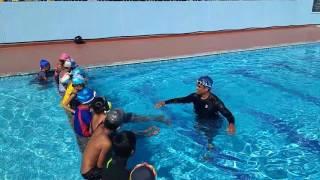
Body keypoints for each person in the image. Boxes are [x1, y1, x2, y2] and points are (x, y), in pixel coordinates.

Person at [155, 76, 235, 148]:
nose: (196, 88)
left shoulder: (215, 101)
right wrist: (165, 102)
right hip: (199, 119)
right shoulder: (195, 96)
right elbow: (181, 100)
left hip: (213, 122)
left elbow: (228, 114)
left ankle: (210, 150)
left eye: (199, 86)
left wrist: (231, 124)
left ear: (206, 89)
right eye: (197, 86)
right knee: (197, 134)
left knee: (209, 139)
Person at [89, 97, 170, 136]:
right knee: (125, 135)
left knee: (126, 116)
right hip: (108, 133)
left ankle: (155, 118)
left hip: (108, 127)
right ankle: (145, 133)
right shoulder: (103, 120)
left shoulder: (96, 115)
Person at [81, 112, 122, 180]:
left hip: (84, 167)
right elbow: (99, 165)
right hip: (89, 173)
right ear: (118, 128)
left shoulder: (100, 127)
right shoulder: (106, 143)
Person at [73, 87, 96, 152]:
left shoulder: (79, 107)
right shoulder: (85, 114)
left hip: (77, 129)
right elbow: (92, 125)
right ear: (90, 102)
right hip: (84, 133)